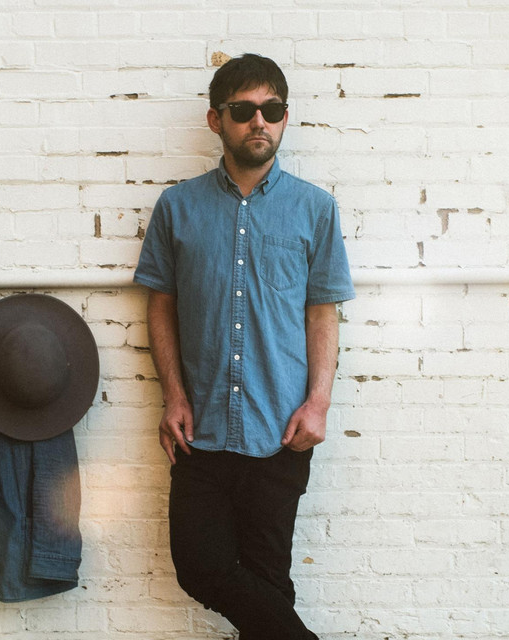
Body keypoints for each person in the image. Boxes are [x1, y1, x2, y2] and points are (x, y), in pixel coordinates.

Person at [134, 53, 355, 640]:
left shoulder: (315, 208)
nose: (260, 121)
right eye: (244, 110)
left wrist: (319, 403)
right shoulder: (177, 207)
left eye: (272, 109)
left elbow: (322, 312)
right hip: (200, 428)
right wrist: (173, 395)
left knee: (267, 580)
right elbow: (160, 304)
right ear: (217, 120)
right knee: (200, 568)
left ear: (285, 117)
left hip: (281, 429)